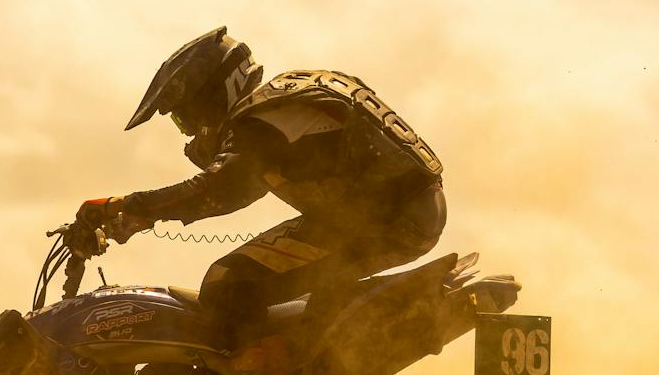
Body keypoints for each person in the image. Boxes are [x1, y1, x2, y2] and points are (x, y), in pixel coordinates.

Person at [74, 25, 447, 355]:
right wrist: (143, 215)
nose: (189, 130)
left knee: (226, 284)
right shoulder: (283, 105)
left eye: (185, 116)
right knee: (253, 281)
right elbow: (236, 191)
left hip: (380, 223)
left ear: (212, 93)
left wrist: (121, 204)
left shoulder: (263, 116)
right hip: (393, 216)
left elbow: (219, 188)